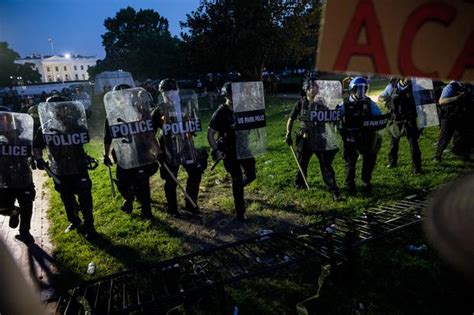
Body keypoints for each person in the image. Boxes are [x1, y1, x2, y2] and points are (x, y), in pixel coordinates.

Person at [34, 96, 98, 240]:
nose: (59, 111)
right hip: (59, 169)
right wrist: (39, 159)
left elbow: (86, 136)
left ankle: (90, 226)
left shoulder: (75, 124)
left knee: (85, 197)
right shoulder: (45, 128)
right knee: (67, 198)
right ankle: (74, 221)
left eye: (61, 108)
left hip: (79, 166)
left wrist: (79, 126)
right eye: (56, 109)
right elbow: (37, 146)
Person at [103, 84, 159, 220]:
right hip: (123, 154)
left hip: (141, 151)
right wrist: (106, 154)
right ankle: (129, 198)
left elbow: (149, 133)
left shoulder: (139, 112)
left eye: (125, 95)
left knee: (143, 181)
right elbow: (108, 138)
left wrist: (158, 150)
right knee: (122, 181)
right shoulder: (112, 116)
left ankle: (146, 211)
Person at [151, 78, 206, 216]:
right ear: (162, 94)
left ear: (177, 91)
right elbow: (150, 134)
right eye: (166, 92)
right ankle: (172, 208)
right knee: (171, 179)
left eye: (172, 91)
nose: (169, 95)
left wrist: (196, 147)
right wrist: (159, 152)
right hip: (169, 149)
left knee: (195, 173)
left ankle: (190, 203)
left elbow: (193, 125)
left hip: (187, 147)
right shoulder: (159, 111)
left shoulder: (185, 106)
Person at [285, 77, 341, 200]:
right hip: (305, 139)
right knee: (302, 162)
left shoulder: (322, 103)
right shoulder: (301, 103)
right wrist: (288, 133)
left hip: (320, 138)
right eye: (313, 86)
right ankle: (300, 183)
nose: (316, 88)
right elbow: (291, 118)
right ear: (307, 89)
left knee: (326, 165)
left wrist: (337, 118)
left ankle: (333, 189)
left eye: (316, 86)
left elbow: (332, 118)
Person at [207, 82, 256, 220]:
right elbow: (210, 133)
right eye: (233, 94)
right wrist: (216, 150)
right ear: (227, 95)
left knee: (251, 174)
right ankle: (240, 212)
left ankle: (239, 187)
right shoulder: (221, 112)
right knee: (237, 177)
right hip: (229, 151)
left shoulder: (242, 108)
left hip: (244, 148)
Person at [337, 77, 383, 196]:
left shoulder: (369, 103)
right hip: (350, 137)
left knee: (369, 159)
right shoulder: (345, 104)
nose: (361, 91)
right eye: (359, 89)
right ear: (353, 89)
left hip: (366, 136)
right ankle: (350, 186)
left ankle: (365, 182)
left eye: (364, 89)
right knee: (350, 162)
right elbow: (335, 117)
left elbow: (379, 116)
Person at [0, 111, 35, 244]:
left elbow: (30, 157)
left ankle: (25, 231)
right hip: (3, 180)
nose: (4, 126)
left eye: (6, 121)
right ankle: (14, 212)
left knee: (27, 203)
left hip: (22, 178)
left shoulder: (24, 141)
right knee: (2, 207)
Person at [380, 78, 422, 174]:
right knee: (393, 143)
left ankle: (417, 167)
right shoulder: (392, 86)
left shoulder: (416, 87)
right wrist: (387, 99)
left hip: (409, 119)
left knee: (413, 144)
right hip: (395, 119)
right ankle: (392, 162)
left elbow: (422, 102)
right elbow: (381, 97)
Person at [434, 81, 471, 162]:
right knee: (444, 137)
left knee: (463, 136)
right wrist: (456, 98)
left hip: (461, 116)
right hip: (448, 116)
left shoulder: (468, 86)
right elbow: (441, 101)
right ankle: (438, 156)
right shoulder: (451, 86)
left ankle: (463, 155)